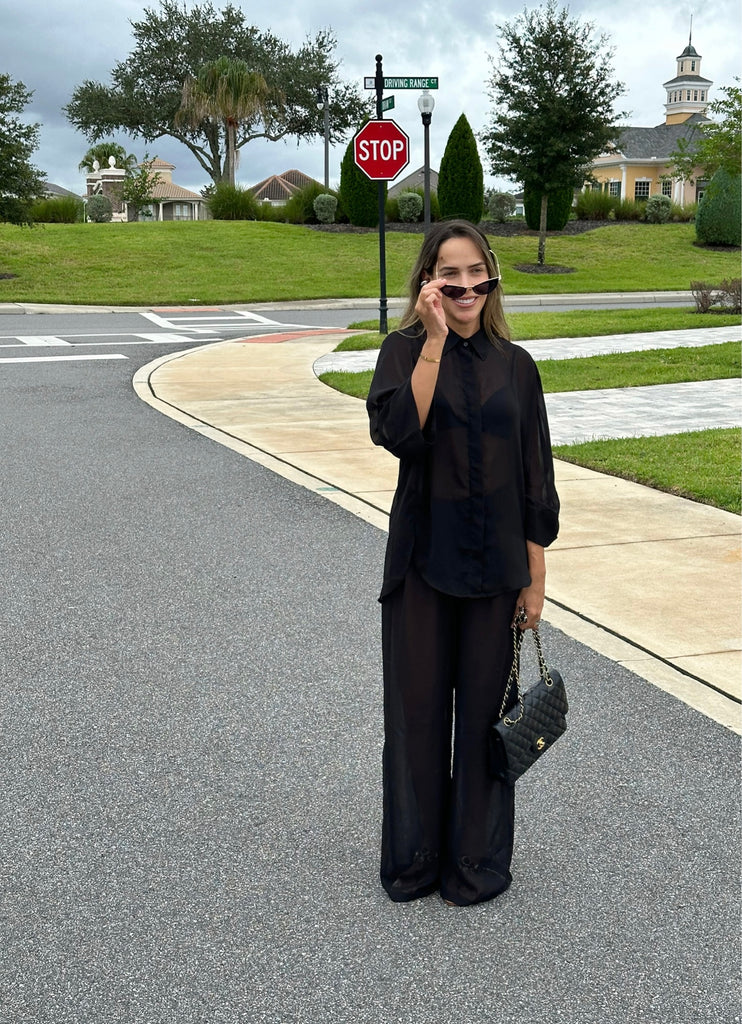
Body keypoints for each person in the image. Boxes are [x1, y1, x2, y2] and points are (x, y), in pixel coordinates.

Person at [366, 220, 560, 907]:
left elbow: (535, 477)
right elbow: (399, 436)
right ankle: (416, 859)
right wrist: (435, 344)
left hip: (496, 571)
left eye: (478, 272)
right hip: (422, 564)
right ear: (429, 282)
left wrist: (535, 579)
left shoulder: (518, 366)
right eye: (451, 275)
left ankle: (474, 860)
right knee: (418, 715)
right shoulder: (402, 352)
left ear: (492, 278)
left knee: (485, 717)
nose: (467, 285)